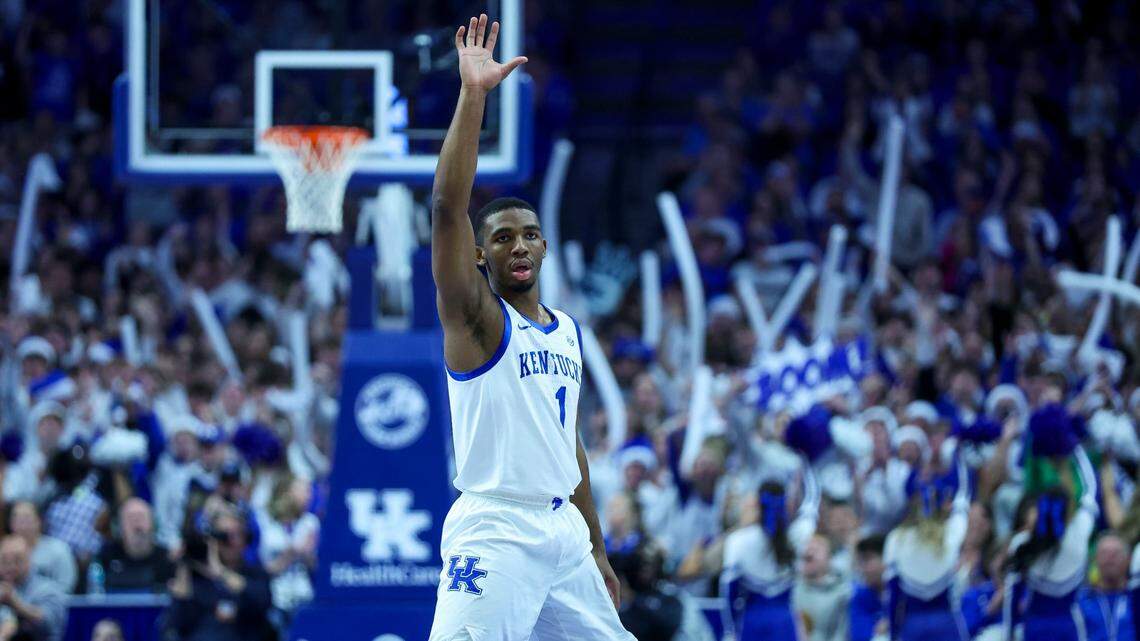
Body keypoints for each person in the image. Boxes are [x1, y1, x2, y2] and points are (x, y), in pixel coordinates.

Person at [426, 13, 634, 640]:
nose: (518, 246)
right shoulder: (479, 322)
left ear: (544, 248)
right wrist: (473, 98)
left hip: (563, 535)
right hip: (496, 531)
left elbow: (567, 445)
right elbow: (445, 210)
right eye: (501, 238)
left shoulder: (567, 330)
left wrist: (595, 545)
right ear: (481, 255)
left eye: (528, 235)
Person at [1005, 446, 1098, 641]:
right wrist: (1074, 447)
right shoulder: (1078, 534)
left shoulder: (1021, 544)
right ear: (1066, 513)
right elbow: (1091, 490)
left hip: (1034, 629)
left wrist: (1010, 635)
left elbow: (1012, 602)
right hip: (1069, 627)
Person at [719, 468, 819, 640]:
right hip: (784, 623)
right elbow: (812, 502)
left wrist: (730, 631)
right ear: (785, 504)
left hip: (753, 622)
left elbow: (729, 591)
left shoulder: (738, 540)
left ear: (757, 504)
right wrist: (807, 466)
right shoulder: (797, 535)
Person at [883, 458, 970, 641]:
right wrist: (960, 457)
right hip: (946, 622)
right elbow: (964, 497)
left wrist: (893, 635)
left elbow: (893, 597)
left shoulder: (896, 539)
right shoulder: (952, 531)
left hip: (913, 626)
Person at [163, 506, 273, 641]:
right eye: (225, 536)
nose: (233, 542)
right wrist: (182, 566)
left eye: (238, 535)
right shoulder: (195, 575)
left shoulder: (255, 572)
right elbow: (175, 625)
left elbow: (263, 602)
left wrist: (221, 572)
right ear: (212, 540)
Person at [92, 498, 174, 593]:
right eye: (130, 518)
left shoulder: (167, 558)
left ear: (153, 524)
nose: (136, 522)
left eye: (141, 517)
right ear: (119, 527)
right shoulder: (105, 556)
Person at [0, 535, 67, 641]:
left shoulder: (48, 588)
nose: (10, 566)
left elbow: (48, 625)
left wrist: (15, 603)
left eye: (17, 560)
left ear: (29, 559)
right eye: (4, 561)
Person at [5, 502, 76, 594]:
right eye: (16, 519)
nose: (21, 524)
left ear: (39, 521)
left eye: (26, 518)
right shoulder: (5, 550)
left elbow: (66, 585)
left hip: (49, 604)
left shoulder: (58, 549)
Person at [1078, 532, 1133, 641]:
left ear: (1128, 559)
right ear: (1095, 559)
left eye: (1116, 553)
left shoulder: (1136, 599)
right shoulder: (1080, 600)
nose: (1110, 558)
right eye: (1105, 553)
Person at [850, 535, 887, 641]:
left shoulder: (905, 595)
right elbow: (860, 637)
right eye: (860, 561)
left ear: (885, 559)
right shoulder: (860, 597)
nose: (862, 568)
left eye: (867, 559)